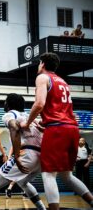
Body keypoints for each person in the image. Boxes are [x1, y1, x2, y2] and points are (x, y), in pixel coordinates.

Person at [20, 52, 93, 210]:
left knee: (48, 174)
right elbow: (63, 110)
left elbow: (39, 104)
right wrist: (46, 124)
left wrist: (27, 123)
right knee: (67, 176)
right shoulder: (63, 82)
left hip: (57, 128)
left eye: (39, 63)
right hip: (71, 129)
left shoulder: (42, 77)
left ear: (43, 64)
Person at [0, 93, 46, 210]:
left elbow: (14, 127)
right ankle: (42, 208)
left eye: (5, 101)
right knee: (23, 183)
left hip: (27, 155)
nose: (4, 103)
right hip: (42, 157)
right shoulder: (31, 117)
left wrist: (17, 156)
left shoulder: (9, 114)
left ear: (8, 104)